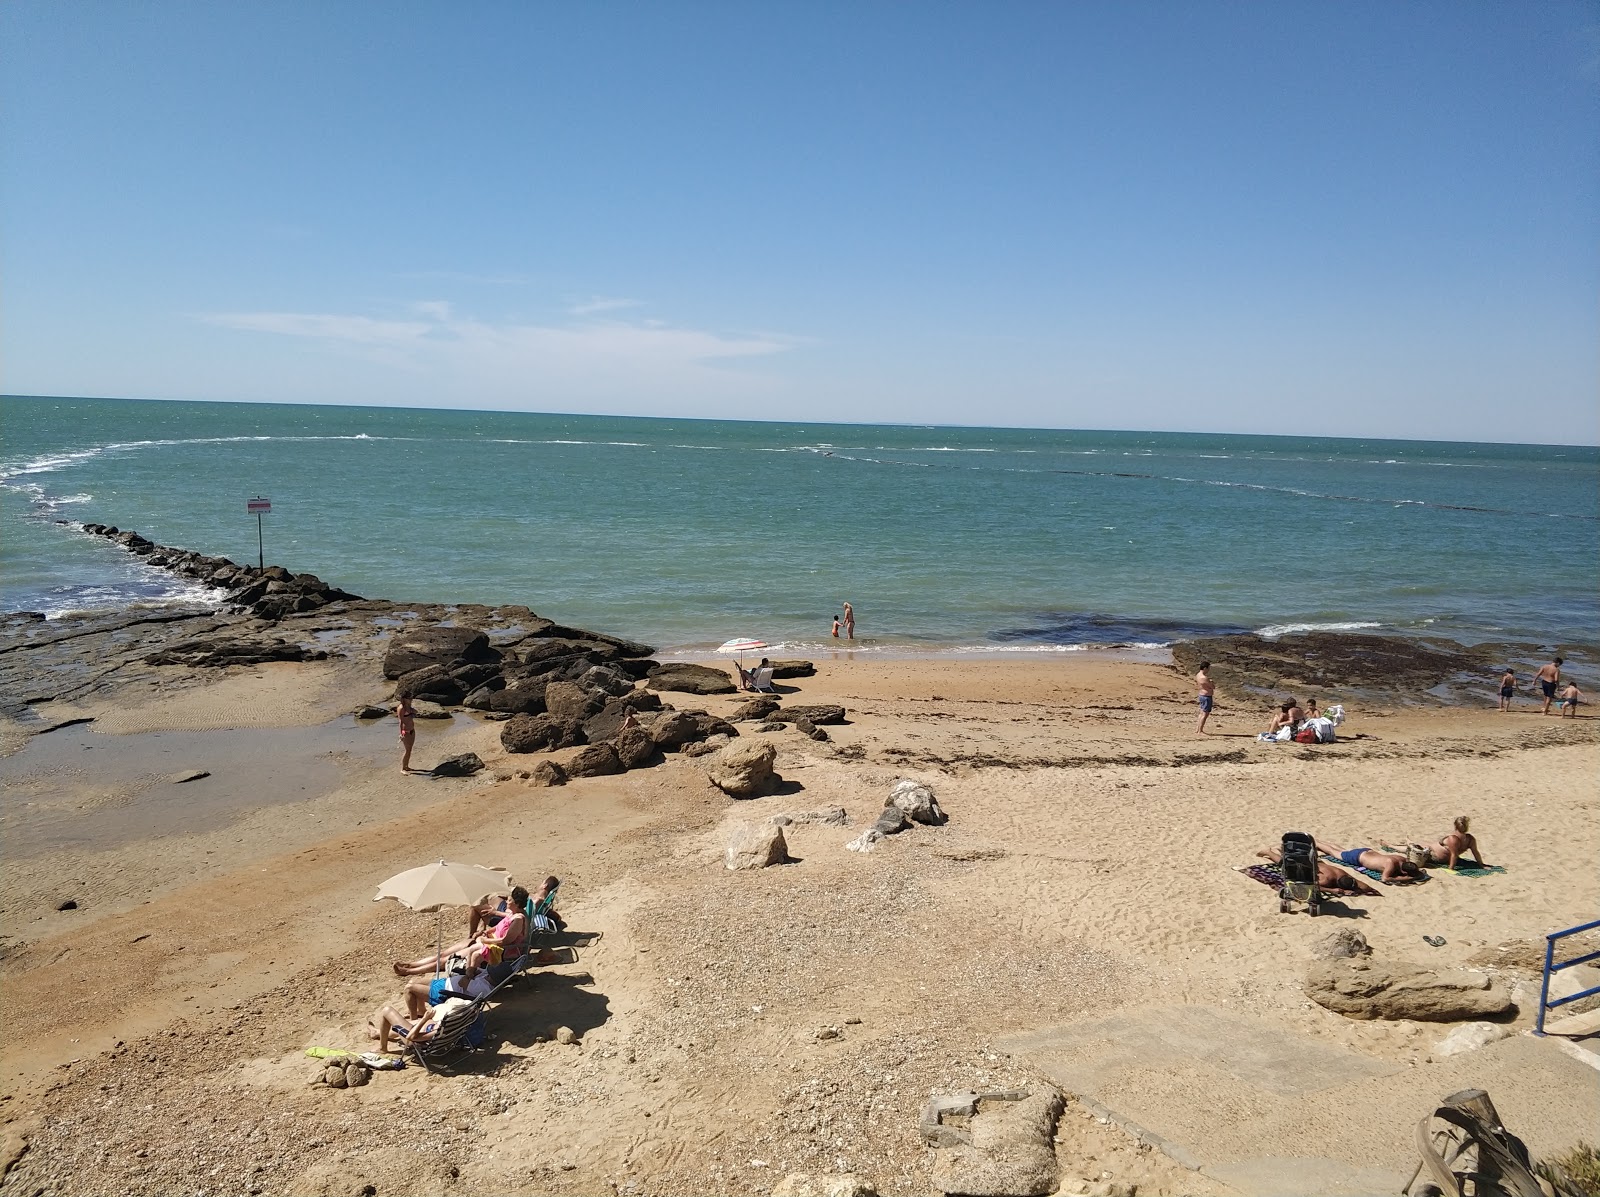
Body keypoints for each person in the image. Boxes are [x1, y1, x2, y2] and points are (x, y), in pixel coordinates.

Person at [393, 885, 529, 978]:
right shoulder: (513, 913)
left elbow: (506, 941)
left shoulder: (519, 920)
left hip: (496, 950)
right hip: (486, 942)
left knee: (446, 960)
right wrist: (486, 930)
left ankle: (409, 971)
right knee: (444, 953)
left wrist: (485, 939)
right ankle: (412, 964)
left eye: (510, 899)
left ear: (516, 903)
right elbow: (503, 923)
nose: (507, 901)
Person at [1255, 845, 1380, 897]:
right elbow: (1312, 886)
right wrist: (1332, 890)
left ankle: (1283, 851)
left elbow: (1367, 888)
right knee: (1286, 865)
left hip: (1316, 863)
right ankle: (1268, 852)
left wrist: (1356, 889)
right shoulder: (1326, 880)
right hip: (1307, 866)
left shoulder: (1345, 875)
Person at [368, 993, 474, 1053]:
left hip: (413, 1038)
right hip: (425, 1028)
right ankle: (377, 1032)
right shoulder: (457, 1022)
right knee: (406, 1022)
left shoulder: (439, 1030)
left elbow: (411, 1036)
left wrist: (424, 1019)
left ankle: (383, 1048)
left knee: (387, 1011)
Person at [1319, 841, 1423, 883]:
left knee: (1341, 851)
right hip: (1358, 857)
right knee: (1333, 852)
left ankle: (1319, 841)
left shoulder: (1401, 859)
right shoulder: (1391, 864)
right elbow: (1385, 878)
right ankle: (1316, 843)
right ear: (1404, 872)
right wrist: (1408, 878)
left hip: (1367, 852)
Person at [1422, 816, 1488, 870]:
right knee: (1424, 846)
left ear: (1455, 826)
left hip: (1435, 855)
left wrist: (1451, 869)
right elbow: (1475, 853)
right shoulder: (1470, 839)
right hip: (1435, 854)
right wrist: (1481, 865)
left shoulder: (1454, 839)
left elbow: (1454, 855)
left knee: (1421, 847)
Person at [396, 693, 417, 773]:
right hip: (406, 731)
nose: (411, 699)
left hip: (412, 729)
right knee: (407, 750)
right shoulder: (401, 708)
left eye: (411, 698)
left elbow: (413, 713)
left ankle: (407, 766)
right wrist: (401, 733)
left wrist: (413, 712)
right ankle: (403, 769)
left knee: (410, 749)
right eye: (409, 698)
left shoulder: (408, 706)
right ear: (404, 699)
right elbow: (400, 722)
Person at [1195, 661, 1216, 735]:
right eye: (1208, 668)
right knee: (1205, 714)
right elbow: (1212, 687)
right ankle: (1200, 730)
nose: (1208, 670)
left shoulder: (1198, 675)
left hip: (1202, 694)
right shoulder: (1204, 678)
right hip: (1206, 696)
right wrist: (1212, 682)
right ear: (1205, 668)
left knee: (1202, 712)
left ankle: (1198, 729)